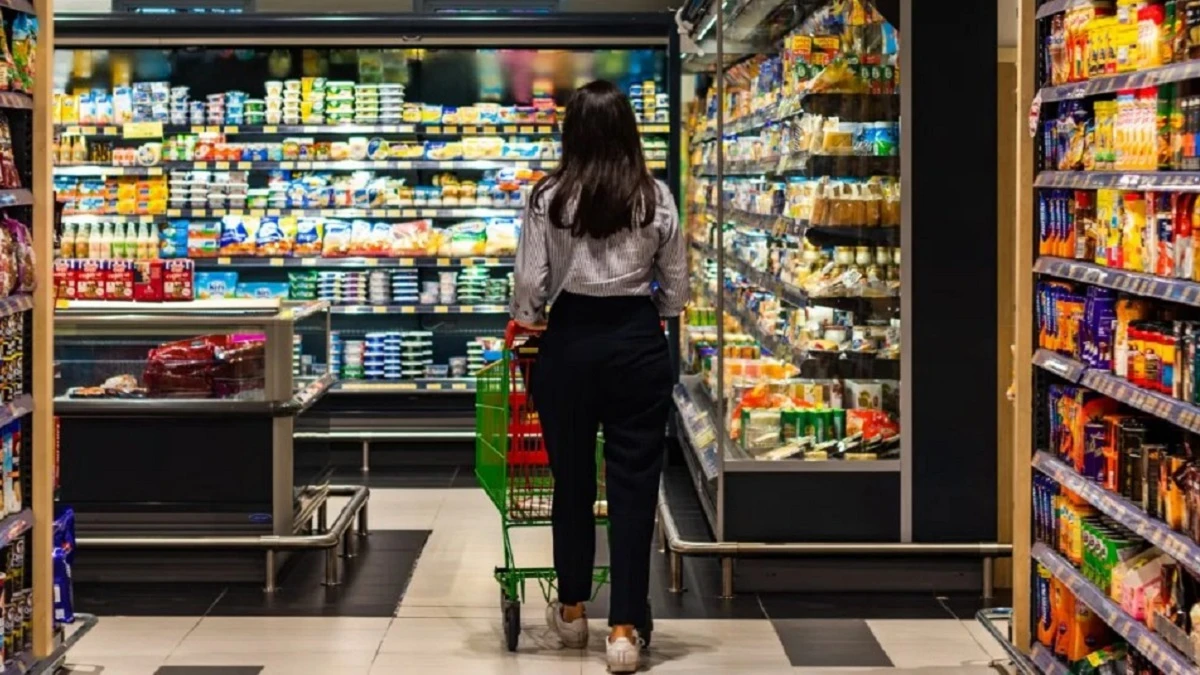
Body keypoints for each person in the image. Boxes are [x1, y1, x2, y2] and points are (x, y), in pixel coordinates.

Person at [511, 79, 687, 673]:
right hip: (638, 344)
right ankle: (624, 629)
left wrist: (532, 322)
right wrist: (653, 317)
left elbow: (530, 286)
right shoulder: (655, 197)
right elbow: (677, 286)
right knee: (636, 488)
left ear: (572, 134)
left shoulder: (547, 197)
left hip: (571, 345)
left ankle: (571, 609)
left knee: (573, 482)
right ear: (629, 133)